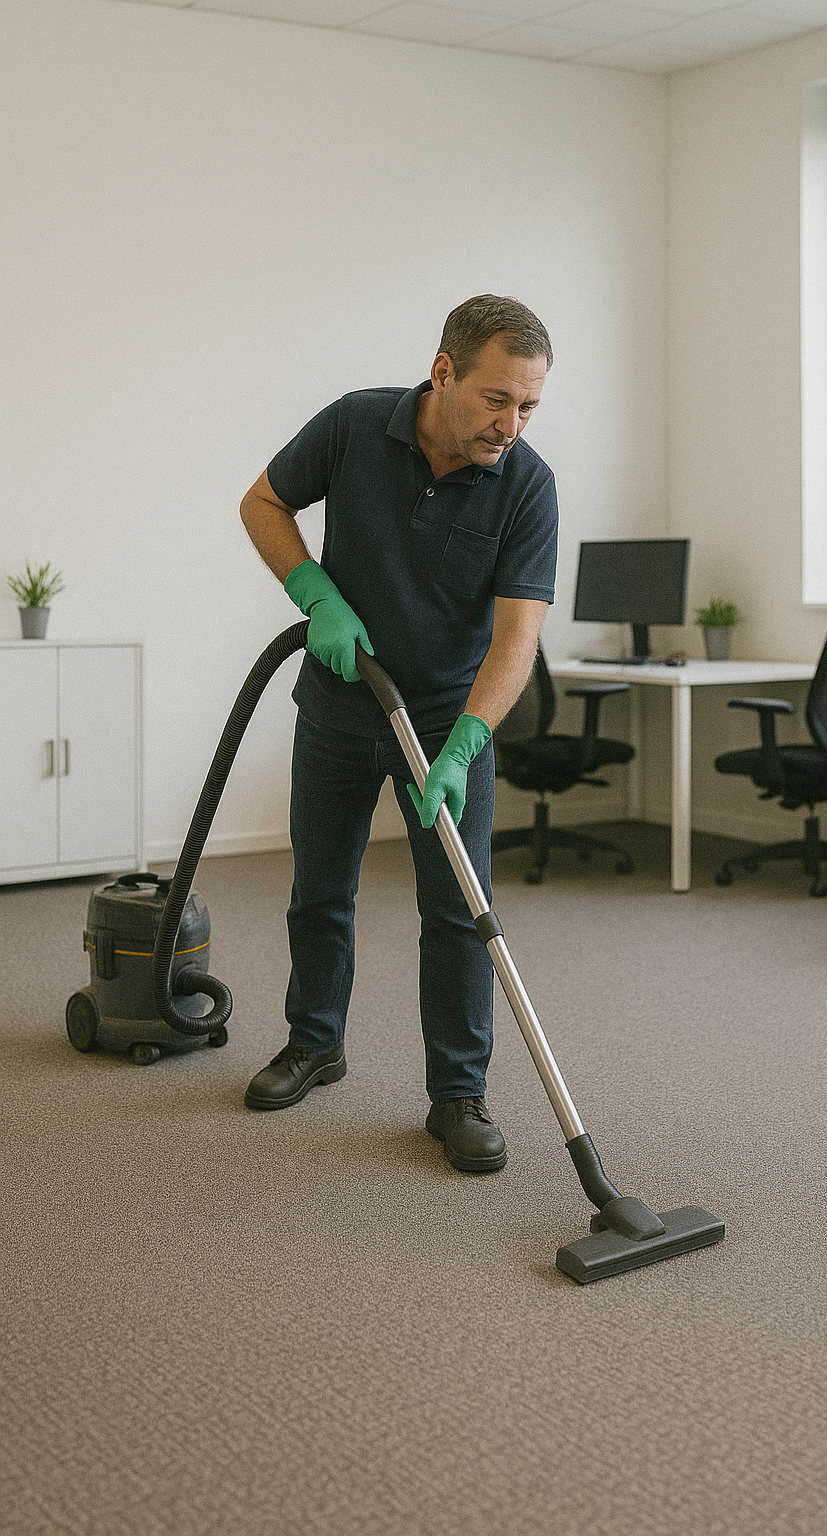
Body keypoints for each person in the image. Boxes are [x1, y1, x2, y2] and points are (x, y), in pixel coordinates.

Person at [239, 295, 557, 1173]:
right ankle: (315, 1043)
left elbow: (518, 637)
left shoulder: (527, 483)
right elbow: (263, 502)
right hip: (342, 707)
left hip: (446, 725)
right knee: (321, 888)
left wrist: (465, 743)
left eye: (530, 405)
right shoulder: (352, 425)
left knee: (457, 911)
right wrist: (315, 592)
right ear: (443, 371)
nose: (512, 423)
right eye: (498, 399)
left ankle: (458, 1094)